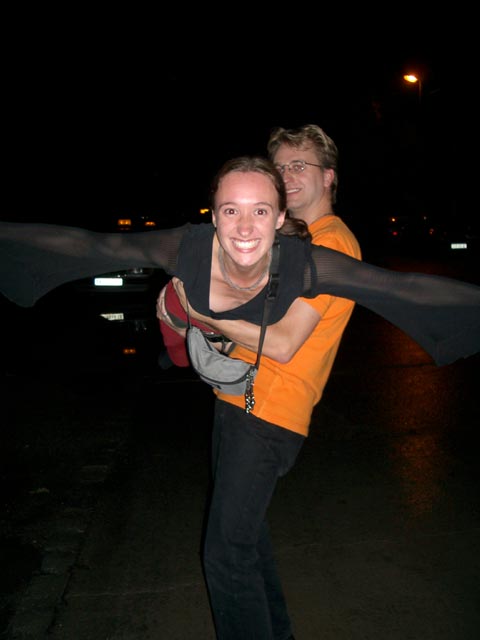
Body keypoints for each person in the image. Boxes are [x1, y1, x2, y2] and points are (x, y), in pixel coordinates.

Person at [1, 157, 479, 640]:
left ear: (278, 217)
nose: (245, 227)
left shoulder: (307, 263)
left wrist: (195, 312)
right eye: (230, 211)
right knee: (247, 543)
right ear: (213, 215)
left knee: (227, 554)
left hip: (269, 413)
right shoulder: (186, 246)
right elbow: (91, 245)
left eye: (259, 211)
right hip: (232, 401)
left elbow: (404, 287)